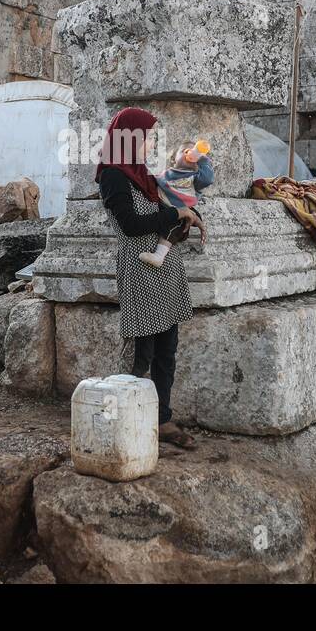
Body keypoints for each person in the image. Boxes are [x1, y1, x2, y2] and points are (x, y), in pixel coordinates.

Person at [94, 107, 203, 449]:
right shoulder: (113, 175)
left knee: (167, 349)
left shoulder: (141, 174)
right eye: (149, 137)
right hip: (140, 268)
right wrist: (174, 213)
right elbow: (129, 224)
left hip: (163, 266)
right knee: (142, 351)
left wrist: (185, 217)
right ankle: (120, 417)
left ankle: (162, 419)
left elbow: (160, 213)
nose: (152, 143)